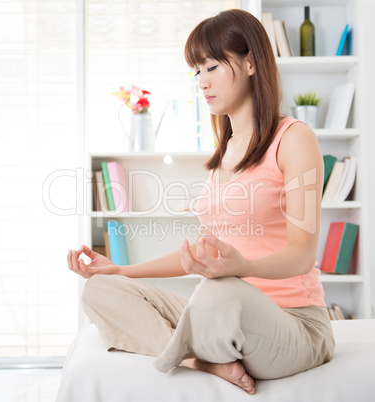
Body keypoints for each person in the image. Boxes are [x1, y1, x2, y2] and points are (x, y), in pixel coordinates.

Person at [67, 9, 334, 395]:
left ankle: (194, 349)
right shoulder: (222, 154)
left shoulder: (294, 139)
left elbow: (302, 254)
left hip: (293, 323)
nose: (202, 82)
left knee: (218, 291)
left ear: (251, 62)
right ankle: (201, 361)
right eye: (197, 71)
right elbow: (200, 253)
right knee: (99, 291)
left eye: (212, 66)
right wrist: (120, 272)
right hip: (225, 313)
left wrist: (240, 266)